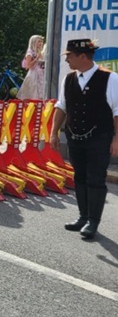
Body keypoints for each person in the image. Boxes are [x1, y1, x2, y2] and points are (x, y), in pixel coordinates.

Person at [50, 39, 118, 240]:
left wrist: (116, 139)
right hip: (75, 136)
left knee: (95, 178)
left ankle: (93, 221)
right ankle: (83, 216)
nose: (67, 59)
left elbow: (117, 111)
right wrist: (54, 132)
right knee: (79, 176)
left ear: (82, 56)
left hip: (100, 137)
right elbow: (61, 106)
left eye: (69, 55)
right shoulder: (69, 78)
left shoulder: (110, 78)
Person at [17, 35, 46, 100]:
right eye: (39, 41)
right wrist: (36, 59)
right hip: (34, 75)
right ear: (34, 42)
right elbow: (28, 66)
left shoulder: (39, 51)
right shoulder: (30, 53)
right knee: (32, 95)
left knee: (41, 94)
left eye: (41, 42)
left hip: (41, 74)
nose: (41, 43)